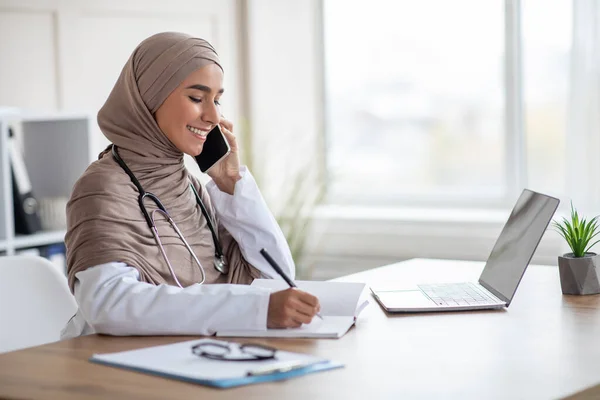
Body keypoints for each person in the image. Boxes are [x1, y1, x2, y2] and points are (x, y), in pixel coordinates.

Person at [61, 32, 320, 338]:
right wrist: (253, 309)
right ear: (149, 98)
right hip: (116, 371)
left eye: (217, 100)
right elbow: (110, 304)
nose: (213, 116)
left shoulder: (193, 189)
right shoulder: (103, 187)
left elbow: (276, 276)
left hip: (193, 359)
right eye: (197, 98)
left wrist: (230, 183)